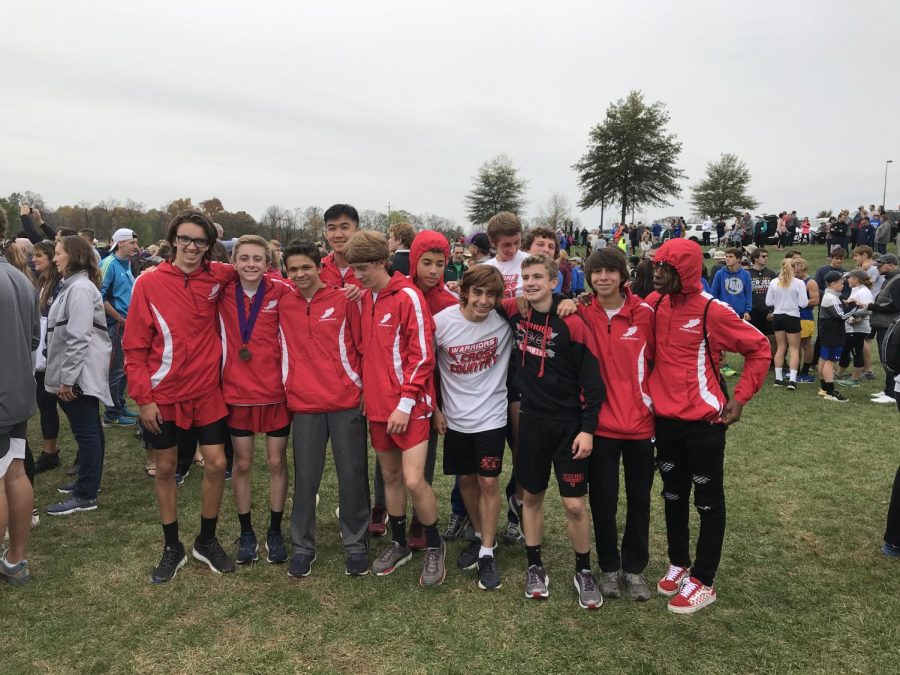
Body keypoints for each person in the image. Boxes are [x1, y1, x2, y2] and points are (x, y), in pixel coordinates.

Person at [648, 238, 769, 613]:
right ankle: (679, 564)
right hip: (665, 422)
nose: (655, 273)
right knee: (672, 494)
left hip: (705, 423)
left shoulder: (712, 311)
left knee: (707, 500)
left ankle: (704, 580)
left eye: (663, 268)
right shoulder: (654, 305)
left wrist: (740, 398)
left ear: (683, 272)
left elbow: (759, 347)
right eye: (655, 266)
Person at [125, 210, 237, 582]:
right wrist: (144, 398)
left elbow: (258, 275)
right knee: (168, 469)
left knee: (218, 464)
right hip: (164, 394)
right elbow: (135, 347)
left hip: (207, 391)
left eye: (200, 241)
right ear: (173, 239)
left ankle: (205, 540)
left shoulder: (220, 276)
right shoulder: (149, 283)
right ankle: (171, 545)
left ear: (209, 245)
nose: (192, 247)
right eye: (185, 239)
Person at [500, 254, 605, 609]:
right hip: (530, 421)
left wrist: (588, 429)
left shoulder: (572, 320)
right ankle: (534, 565)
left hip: (569, 425)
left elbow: (592, 382)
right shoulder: (515, 310)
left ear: (553, 281)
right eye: (525, 277)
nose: (529, 283)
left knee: (574, 503)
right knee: (531, 496)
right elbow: (476, 298)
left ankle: (584, 570)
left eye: (537, 278)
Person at [344, 231, 445, 586]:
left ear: (380, 263)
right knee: (389, 478)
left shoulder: (408, 297)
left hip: (411, 407)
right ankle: (399, 542)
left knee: (415, 480)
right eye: (353, 269)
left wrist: (405, 404)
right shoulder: (364, 298)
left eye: (362, 269)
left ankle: (434, 547)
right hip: (377, 408)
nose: (356, 276)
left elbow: (422, 356)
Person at [279, 243, 370, 577]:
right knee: (306, 479)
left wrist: (362, 387)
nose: (300, 275)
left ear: (320, 267)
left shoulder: (344, 300)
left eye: (306, 267)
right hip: (304, 404)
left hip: (345, 401)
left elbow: (361, 347)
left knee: (352, 475)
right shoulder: (283, 303)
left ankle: (356, 543)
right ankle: (303, 546)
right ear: (286, 272)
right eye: (293, 269)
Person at [573, 248, 655, 601]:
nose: (603, 277)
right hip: (601, 427)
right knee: (604, 501)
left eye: (610, 271)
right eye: (596, 272)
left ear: (624, 276)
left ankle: (634, 570)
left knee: (639, 500)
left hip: (641, 425)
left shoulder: (646, 314)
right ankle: (608, 567)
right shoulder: (580, 312)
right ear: (589, 277)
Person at [433, 265, 512, 591]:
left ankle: (488, 553)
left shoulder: (506, 321)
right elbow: (423, 366)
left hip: (492, 417)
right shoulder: (442, 323)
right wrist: (435, 409)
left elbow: (542, 304)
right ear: (464, 291)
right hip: (455, 419)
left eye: (491, 295)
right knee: (465, 479)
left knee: (489, 482)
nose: (483, 301)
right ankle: (480, 535)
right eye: (477, 292)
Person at [218, 235, 294, 565]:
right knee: (243, 464)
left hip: (275, 393)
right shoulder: (221, 292)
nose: (251, 264)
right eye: (244, 258)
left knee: (277, 463)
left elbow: (316, 298)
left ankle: (275, 530)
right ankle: (246, 531)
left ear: (268, 263)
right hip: (237, 393)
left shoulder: (282, 291)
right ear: (233, 262)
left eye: (257, 259)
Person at [43, 236, 112, 516]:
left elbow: (79, 336)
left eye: (58, 253)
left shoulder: (80, 289)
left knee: (86, 432)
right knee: (90, 430)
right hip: (77, 373)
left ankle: (86, 494)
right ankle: (88, 483)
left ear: (72, 256)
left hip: (78, 375)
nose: (55, 258)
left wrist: (68, 379)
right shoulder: (74, 286)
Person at [0, 226, 39, 586]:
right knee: (15, 473)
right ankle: (16, 560)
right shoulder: (20, 277)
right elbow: (32, 338)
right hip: (18, 394)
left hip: (5, 396)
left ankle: (14, 560)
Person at [27, 241, 71, 474]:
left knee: (69, 407)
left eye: (39, 256)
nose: (34, 260)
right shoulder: (40, 283)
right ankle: (50, 452)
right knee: (45, 404)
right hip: (41, 360)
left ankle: (85, 452)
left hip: (54, 357)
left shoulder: (60, 287)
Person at [99, 229, 140, 428]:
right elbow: (99, 296)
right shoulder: (108, 264)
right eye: (132, 242)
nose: (136, 246)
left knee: (124, 368)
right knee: (114, 369)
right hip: (114, 325)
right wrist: (119, 319)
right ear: (121, 243)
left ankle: (120, 405)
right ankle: (111, 414)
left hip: (126, 324)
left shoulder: (127, 263)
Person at [765, 258, 809, 389]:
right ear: (795, 268)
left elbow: (768, 302)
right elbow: (803, 303)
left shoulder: (774, 282)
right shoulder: (799, 283)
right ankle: (792, 380)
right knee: (794, 348)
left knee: (781, 347)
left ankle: (778, 379)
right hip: (792, 316)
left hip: (778, 316)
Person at [862, 254, 900, 404]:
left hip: (890, 324)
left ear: (891, 265)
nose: (877, 268)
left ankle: (891, 393)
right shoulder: (889, 279)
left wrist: (872, 306)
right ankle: (888, 389)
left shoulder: (897, 281)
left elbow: (896, 305)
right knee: (885, 359)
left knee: (890, 359)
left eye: (880, 265)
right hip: (883, 323)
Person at [817, 271, 859, 403]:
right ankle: (831, 391)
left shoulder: (831, 296)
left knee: (824, 360)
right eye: (841, 283)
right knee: (830, 361)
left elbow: (837, 310)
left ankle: (824, 388)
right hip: (832, 334)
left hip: (827, 332)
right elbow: (840, 316)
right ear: (833, 284)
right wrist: (855, 307)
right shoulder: (831, 297)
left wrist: (845, 305)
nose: (843, 285)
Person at [711, 247, 752, 376]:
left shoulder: (745, 274)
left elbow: (748, 293)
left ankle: (750, 364)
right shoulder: (720, 274)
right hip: (723, 312)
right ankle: (723, 365)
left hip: (740, 312)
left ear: (738, 259)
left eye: (730, 257)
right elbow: (714, 293)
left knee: (743, 339)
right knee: (721, 340)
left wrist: (748, 310)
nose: (727, 259)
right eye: (727, 256)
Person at [835, 270, 873, 387]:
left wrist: (852, 314)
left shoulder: (863, 291)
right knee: (846, 350)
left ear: (856, 279)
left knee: (856, 351)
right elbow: (856, 306)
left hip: (859, 328)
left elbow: (868, 309)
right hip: (852, 327)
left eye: (849, 278)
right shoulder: (857, 290)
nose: (847, 280)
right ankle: (839, 373)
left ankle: (854, 379)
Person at [791, 258, 819, 383]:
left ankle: (805, 371)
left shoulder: (810, 282)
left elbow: (815, 300)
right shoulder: (793, 281)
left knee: (805, 345)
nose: (795, 273)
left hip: (805, 317)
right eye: (794, 271)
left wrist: (798, 302)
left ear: (804, 269)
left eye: (797, 271)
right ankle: (795, 370)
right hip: (792, 316)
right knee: (794, 346)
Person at [747, 248, 776, 355]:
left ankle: (772, 362)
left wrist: (772, 311)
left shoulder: (772, 274)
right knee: (752, 340)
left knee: (773, 338)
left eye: (767, 256)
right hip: (752, 312)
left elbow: (775, 294)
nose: (766, 258)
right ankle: (754, 360)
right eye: (763, 256)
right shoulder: (747, 273)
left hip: (768, 312)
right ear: (755, 258)